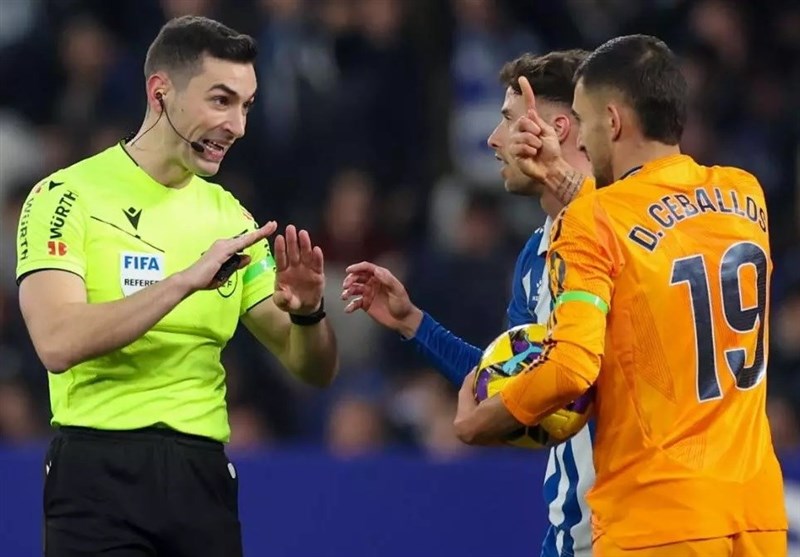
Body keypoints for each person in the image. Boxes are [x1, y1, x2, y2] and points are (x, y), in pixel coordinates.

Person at [453, 34, 788, 556]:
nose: (583, 143)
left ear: (611, 122)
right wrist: (562, 177)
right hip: (756, 515)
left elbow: (571, 369)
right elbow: (650, 232)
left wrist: (483, 420)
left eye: (584, 123)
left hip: (656, 517)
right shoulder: (744, 194)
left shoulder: (591, 222)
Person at [16, 16, 338, 557]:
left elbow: (312, 369)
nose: (237, 125)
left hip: (202, 478)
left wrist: (308, 313)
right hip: (97, 473)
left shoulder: (231, 219)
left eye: (246, 106)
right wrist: (185, 282)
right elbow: (57, 341)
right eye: (221, 100)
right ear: (160, 93)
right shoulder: (66, 196)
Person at [341, 50, 595, 557]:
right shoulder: (535, 255)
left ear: (558, 129)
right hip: (572, 533)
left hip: (639, 529)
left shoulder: (625, 237)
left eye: (508, 119)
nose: (493, 139)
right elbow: (506, 383)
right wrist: (414, 324)